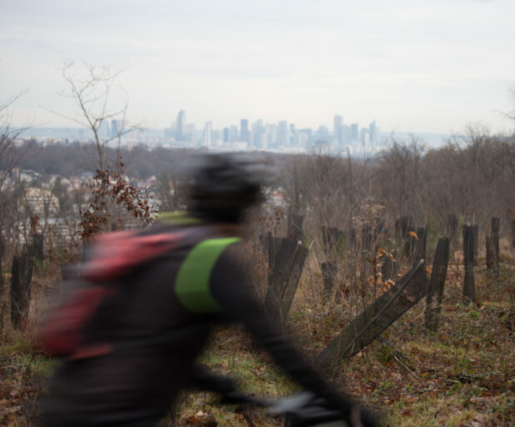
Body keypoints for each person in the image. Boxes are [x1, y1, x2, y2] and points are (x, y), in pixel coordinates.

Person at [39, 153, 377, 427]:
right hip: (115, 416)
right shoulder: (211, 256)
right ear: (240, 210)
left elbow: (142, 337)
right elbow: (275, 345)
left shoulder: (162, 239)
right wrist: (345, 407)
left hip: (66, 404)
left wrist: (211, 382)